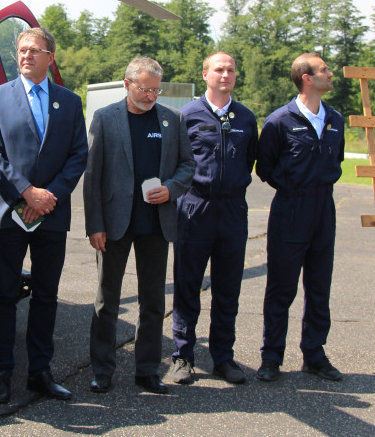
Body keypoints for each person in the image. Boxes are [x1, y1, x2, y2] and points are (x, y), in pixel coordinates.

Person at [0, 28, 87, 404]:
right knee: (4, 294)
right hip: (11, 211)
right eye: (21, 50)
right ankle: (2, 373)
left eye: (34, 50)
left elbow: (78, 155)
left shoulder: (70, 102)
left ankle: (40, 372)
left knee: (46, 295)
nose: (25, 56)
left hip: (52, 215)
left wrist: (49, 197)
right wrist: (26, 192)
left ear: (50, 57)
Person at [83, 56, 195, 395]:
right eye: (144, 89)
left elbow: (188, 165)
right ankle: (102, 370)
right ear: (127, 84)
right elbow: (92, 177)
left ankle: (147, 371)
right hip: (114, 224)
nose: (150, 96)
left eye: (156, 90)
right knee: (107, 300)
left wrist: (172, 188)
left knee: (153, 301)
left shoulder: (171, 120)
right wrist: (94, 225)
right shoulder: (105, 118)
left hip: (155, 225)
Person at [255, 52, 344, 383]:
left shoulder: (335, 118)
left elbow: (338, 158)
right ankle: (271, 357)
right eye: (324, 70)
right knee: (281, 288)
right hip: (291, 210)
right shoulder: (280, 121)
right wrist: (293, 188)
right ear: (306, 78)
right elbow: (265, 167)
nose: (330, 74)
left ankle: (315, 355)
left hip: (324, 209)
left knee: (319, 287)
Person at [170, 52, 258, 386]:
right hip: (196, 208)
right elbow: (176, 161)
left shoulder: (246, 118)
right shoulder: (186, 115)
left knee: (228, 289)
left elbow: (249, 158)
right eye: (219, 69)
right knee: (187, 286)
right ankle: (183, 355)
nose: (225, 75)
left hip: (233, 211)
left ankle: (223, 357)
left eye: (231, 70)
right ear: (205, 74)